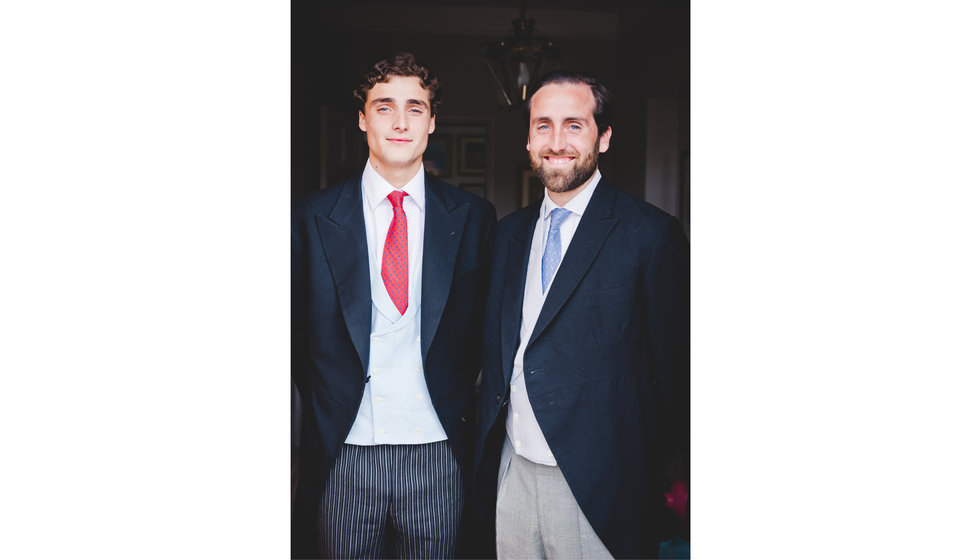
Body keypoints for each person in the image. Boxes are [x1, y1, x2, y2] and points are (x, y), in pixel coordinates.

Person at [472, 70, 690, 559]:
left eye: (574, 125)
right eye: (543, 125)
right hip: (512, 475)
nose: (556, 141)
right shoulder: (507, 236)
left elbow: (675, 380)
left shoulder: (651, 236)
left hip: (599, 488)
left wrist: (639, 475)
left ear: (604, 137)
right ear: (529, 137)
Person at [292, 52, 496, 559]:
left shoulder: (474, 218)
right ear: (362, 119)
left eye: (415, 107)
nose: (400, 122)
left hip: (437, 452)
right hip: (344, 451)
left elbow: (482, 335)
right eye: (384, 107)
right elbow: (296, 339)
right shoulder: (311, 218)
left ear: (432, 121)